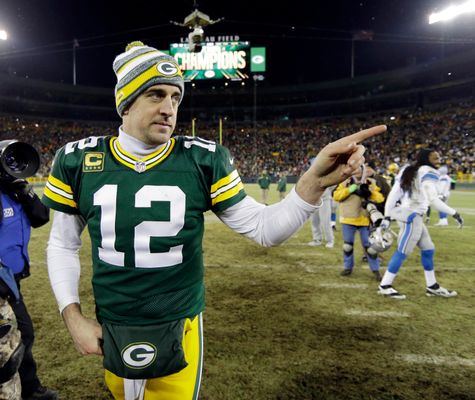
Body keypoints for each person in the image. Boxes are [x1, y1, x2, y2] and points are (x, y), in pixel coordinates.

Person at [42, 41, 387, 400]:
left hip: (181, 320)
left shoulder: (202, 159)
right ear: (125, 102)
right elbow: (62, 244)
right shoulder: (78, 159)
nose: (169, 109)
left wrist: (313, 182)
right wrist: (73, 316)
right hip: (113, 318)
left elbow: (264, 229)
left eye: (175, 98)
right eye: (156, 95)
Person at [0, 167, 57, 399]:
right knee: (21, 332)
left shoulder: (14, 193)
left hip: (12, 279)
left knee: (19, 333)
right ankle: (28, 388)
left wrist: (27, 193)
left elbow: (41, 217)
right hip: (2, 282)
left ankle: (28, 387)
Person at [377, 149, 464, 299]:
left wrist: (387, 215)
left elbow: (394, 193)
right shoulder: (428, 172)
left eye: (439, 156)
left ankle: (432, 286)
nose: (438, 159)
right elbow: (434, 200)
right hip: (412, 217)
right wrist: (454, 213)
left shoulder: (408, 169)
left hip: (408, 213)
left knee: (428, 249)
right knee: (403, 251)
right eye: (434, 157)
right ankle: (385, 285)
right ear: (426, 158)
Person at [333, 164, 385, 280]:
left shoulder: (370, 182)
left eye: (359, 169)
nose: (356, 171)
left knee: (370, 247)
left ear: (363, 170)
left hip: (364, 219)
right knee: (348, 246)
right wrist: (350, 189)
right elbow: (336, 196)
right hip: (348, 218)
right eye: (354, 169)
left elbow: (380, 198)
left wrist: (370, 192)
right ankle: (348, 267)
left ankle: (376, 270)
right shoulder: (345, 181)